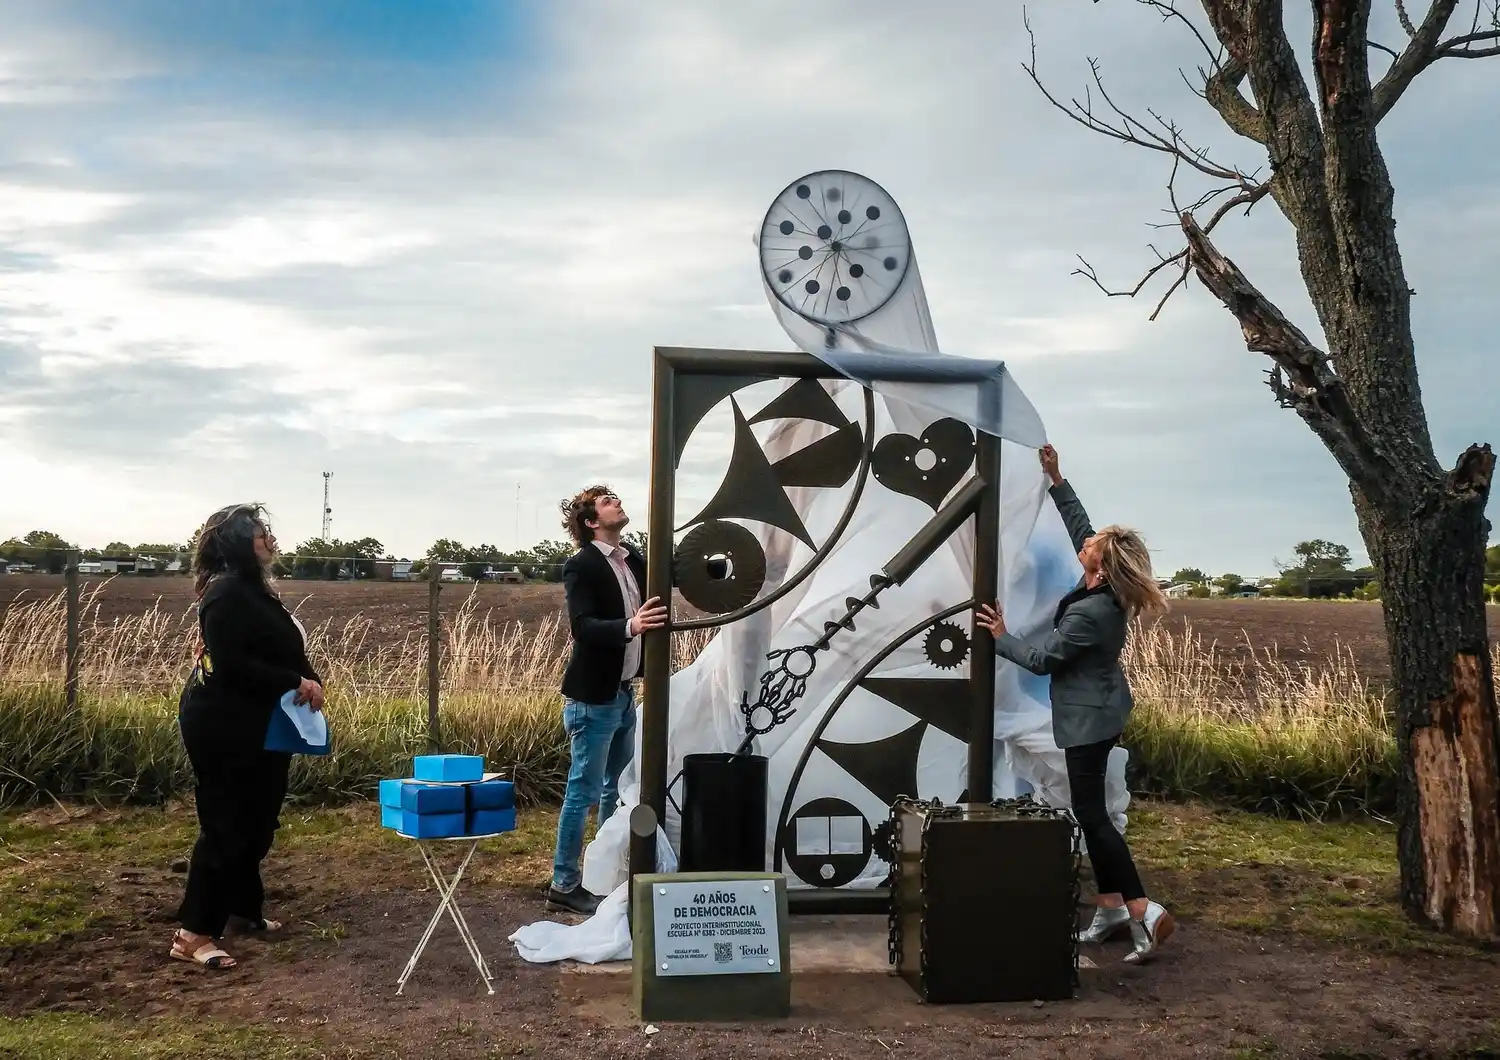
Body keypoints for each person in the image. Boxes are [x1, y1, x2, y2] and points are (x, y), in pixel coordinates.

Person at [975, 444, 1174, 964]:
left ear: (1101, 568)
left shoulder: (1094, 614)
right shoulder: (1098, 585)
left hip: (1088, 720)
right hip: (1101, 711)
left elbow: (1044, 660)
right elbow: (1080, 527)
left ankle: (1141, 910)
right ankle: (1109, 909)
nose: (1084, 542)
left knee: (1094, 817)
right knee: (1091, 816)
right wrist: (1058, 481)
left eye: (1094, 545)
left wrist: (1001, 635)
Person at [170, 504, 324, 969]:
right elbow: (233, 662)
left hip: (260, 722)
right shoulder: (227, 592)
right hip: (223, 724)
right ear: (239, 543)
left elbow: (282, 647)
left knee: (259, 819)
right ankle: (193, 933)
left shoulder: (255, 589)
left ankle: (243, 911)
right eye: (260, 535)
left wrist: (309, 677)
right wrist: (295, 683)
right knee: (227, 823)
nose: (270, 541)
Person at [548, 486, 667, 914]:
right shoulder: (581, 565)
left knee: (616, 790)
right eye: (607, 502)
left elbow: (672, 580)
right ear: (591, 522)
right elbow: (583, 627)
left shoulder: (632, 559)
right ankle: (563, 883)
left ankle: (601, 875)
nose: (618, 503)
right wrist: (631, 626)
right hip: (591, 700)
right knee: (583, 793)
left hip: (622, 693)